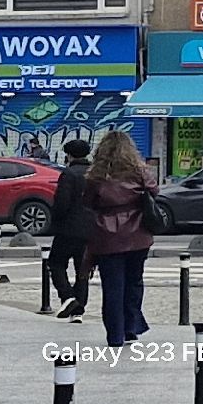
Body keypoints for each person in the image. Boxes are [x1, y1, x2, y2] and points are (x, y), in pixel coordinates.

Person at [83, 133, 156, 347]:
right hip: (137, 233)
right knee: (134, 282)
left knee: (112, 287)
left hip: (106, 236)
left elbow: (87, 202)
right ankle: (131, 328)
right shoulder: (139, 171)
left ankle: (115, 334)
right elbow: (154, 191)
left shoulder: (96, 175)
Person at [48, 139, 94, 320]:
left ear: (69, 155)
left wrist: (55, 221)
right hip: (91, 230)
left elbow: (62, 203)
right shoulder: (95, 174)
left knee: (56, 263)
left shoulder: (69, 174)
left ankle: (68, 297)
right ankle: (78, 310)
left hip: (68, 229)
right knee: (82, 270)